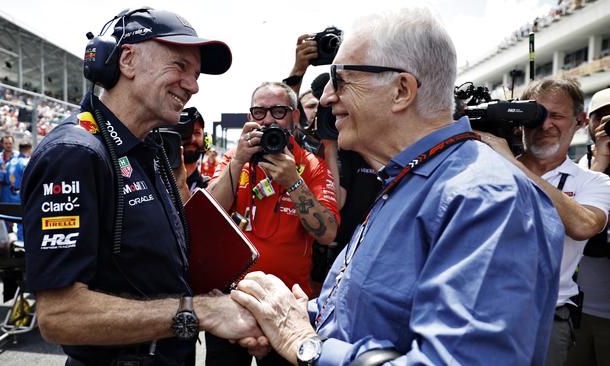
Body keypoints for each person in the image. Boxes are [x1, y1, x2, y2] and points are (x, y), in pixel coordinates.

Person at [231, 8, 564, 365]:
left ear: (401, 90)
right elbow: (367, 312)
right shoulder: (407, 181)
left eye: (340, 80)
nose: (327, 99)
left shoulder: (486, 199)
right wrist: (295, 315)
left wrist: (305, 344)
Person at [21, 8, 264, 366]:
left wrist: (230, 305)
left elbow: (152, 271)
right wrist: (199, 311)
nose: (193, 85)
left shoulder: (152, 150)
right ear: (128, 60)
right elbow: (60, 316)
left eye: (195, 75)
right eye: (180, 66)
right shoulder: (74, 154)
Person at [206, 81, 339, 365]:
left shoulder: (311, 165)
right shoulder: (234, 158)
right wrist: (239, 159)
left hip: (287, 307)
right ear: (249, 117)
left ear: (294, 116)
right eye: (259, 111)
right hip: (231, 301)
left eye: (278, 111)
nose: (267, 119)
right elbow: (210, 215)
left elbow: (327, 233)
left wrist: (294, 183)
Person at [480, 79, 610, 366]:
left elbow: (584, 225)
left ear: (580, 121)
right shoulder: (487, 166)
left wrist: (510, 163)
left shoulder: (594, 181)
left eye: (557, 115)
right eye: (535, 114)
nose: (544, 124)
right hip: (481, 314)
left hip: (547, 320)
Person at [566, 87, 610, 366]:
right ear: (588, 123)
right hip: (578, 312)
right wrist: (602, 163)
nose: (607, 126)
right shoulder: (577, 171)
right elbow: (579, 225)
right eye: (601, 118)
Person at [6, 142, 32, 242]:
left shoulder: (11, 161)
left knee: (16, 221)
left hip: (11, 194)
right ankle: (23, 245)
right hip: (22, 195)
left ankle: (19, 243)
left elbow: (6, 178)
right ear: (29, 150)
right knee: (23, 222)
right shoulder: (26, 162)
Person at [0, 135, 19, 203]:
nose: (8, 145)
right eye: (6, 143)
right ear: (2, 144)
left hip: (16, 188)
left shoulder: (18, 156)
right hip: (3, 188)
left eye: (10, 143)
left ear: (13, 143)